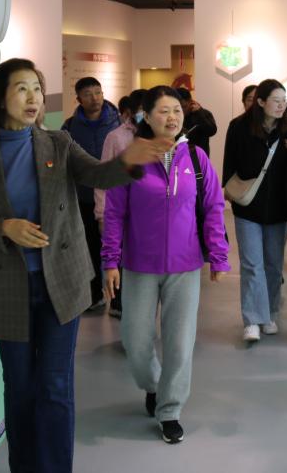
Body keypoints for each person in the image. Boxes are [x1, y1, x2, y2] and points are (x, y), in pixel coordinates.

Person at [0, 58, 170, 473]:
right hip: (6, 291)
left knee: (54, 386)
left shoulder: (59, 143)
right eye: (22, 89)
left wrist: (131, 160)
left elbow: (99, 176)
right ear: (0, 97)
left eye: (37, 88)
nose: (33, 97)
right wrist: (5, 228)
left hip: (61, 285)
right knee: (19, 389)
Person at [102, 86, 230, 444]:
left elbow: (213, 208)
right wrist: (110, 260)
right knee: (135, 341)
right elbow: (114, 213)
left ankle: (170, 409)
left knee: (179, 343)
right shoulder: (131, 158)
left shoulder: (196, 158)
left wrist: (218, 255)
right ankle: (153, 385)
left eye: (177, 110)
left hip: (185, 265)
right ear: (146, 116)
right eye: (163, 110)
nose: (172, 117)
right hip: (139, 264)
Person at [222, 79, 287, 342]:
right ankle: (252, 318)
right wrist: (230, 191)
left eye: (284, 100)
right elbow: (229, 163)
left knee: (273, 265)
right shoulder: (238, 127)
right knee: (252, 264)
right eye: (276, 100)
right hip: (247, 207)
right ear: (260, 102)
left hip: (279, 209)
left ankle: (270, 313)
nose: (281, 105)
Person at [61, 76, 121, 308]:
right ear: (78, 99)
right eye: (87, 94)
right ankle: (94, 295)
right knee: (89, 247)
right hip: (84, 197)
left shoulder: (118, 122)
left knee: (118, 248)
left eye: (97, 92)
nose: (94, 98)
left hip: (115, 197)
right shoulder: (70, 127)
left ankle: (119, 301)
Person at [95, 88, 148, 318]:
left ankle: (139, 305)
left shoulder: (157, 137)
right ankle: (118, 303)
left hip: (146, 212)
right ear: (130, 112)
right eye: (141, 110)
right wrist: (101, 213)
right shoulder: (116, 137)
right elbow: (103, 177)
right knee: (120, 257)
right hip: (120, 210)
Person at [176, 87, 218, 156]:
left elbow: (212, 131)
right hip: (179, 159)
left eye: (184, 106)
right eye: (178, 107)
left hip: (199, 159)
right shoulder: (174, 117)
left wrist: (200, 113)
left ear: (191, 102)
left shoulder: (204, 113)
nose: (181, 110)